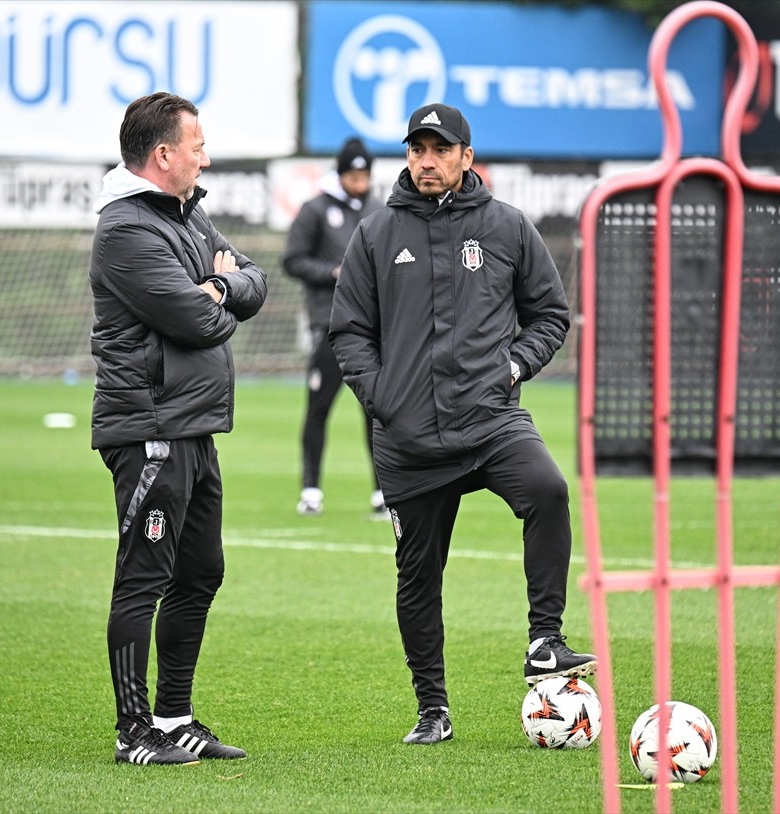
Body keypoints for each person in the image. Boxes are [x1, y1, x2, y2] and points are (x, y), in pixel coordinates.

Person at [329, 103, 596, 745]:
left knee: (550, 492)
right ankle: (433, 710)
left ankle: (544, 641)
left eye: (440, 149)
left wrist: (512, 367)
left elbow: (551, 316)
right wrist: (384, 398)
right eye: (417, 149)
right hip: (408, 441)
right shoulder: (375, 233)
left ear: (466, 158)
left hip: (490, 420)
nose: (427, 160)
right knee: (418, 575)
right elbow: (349, 332)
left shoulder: (506, 227)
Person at [88, 92, 267, 765]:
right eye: (197, 146)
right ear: (163, 155)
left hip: (194, 426)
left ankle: (174, 717)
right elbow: (199, 323)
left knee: (201, 572)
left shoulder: (188, 214)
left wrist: (219, 287)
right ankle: (133, 731)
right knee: (144, 576)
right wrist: (219, 295)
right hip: (150, 429)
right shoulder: (126, 231)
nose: (206, 156)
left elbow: (253, 281)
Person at [282, 137, 384, 519]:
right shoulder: (315, 210)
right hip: (329, 324)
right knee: (319, 408)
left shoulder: (378, 210)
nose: (360, 181)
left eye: (364, 174)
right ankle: (311, 490)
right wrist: (333, 273)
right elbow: (292, 259)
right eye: (353, 174)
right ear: (340, 174)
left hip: (373, 328)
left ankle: (382, 492)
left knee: (377, 410)